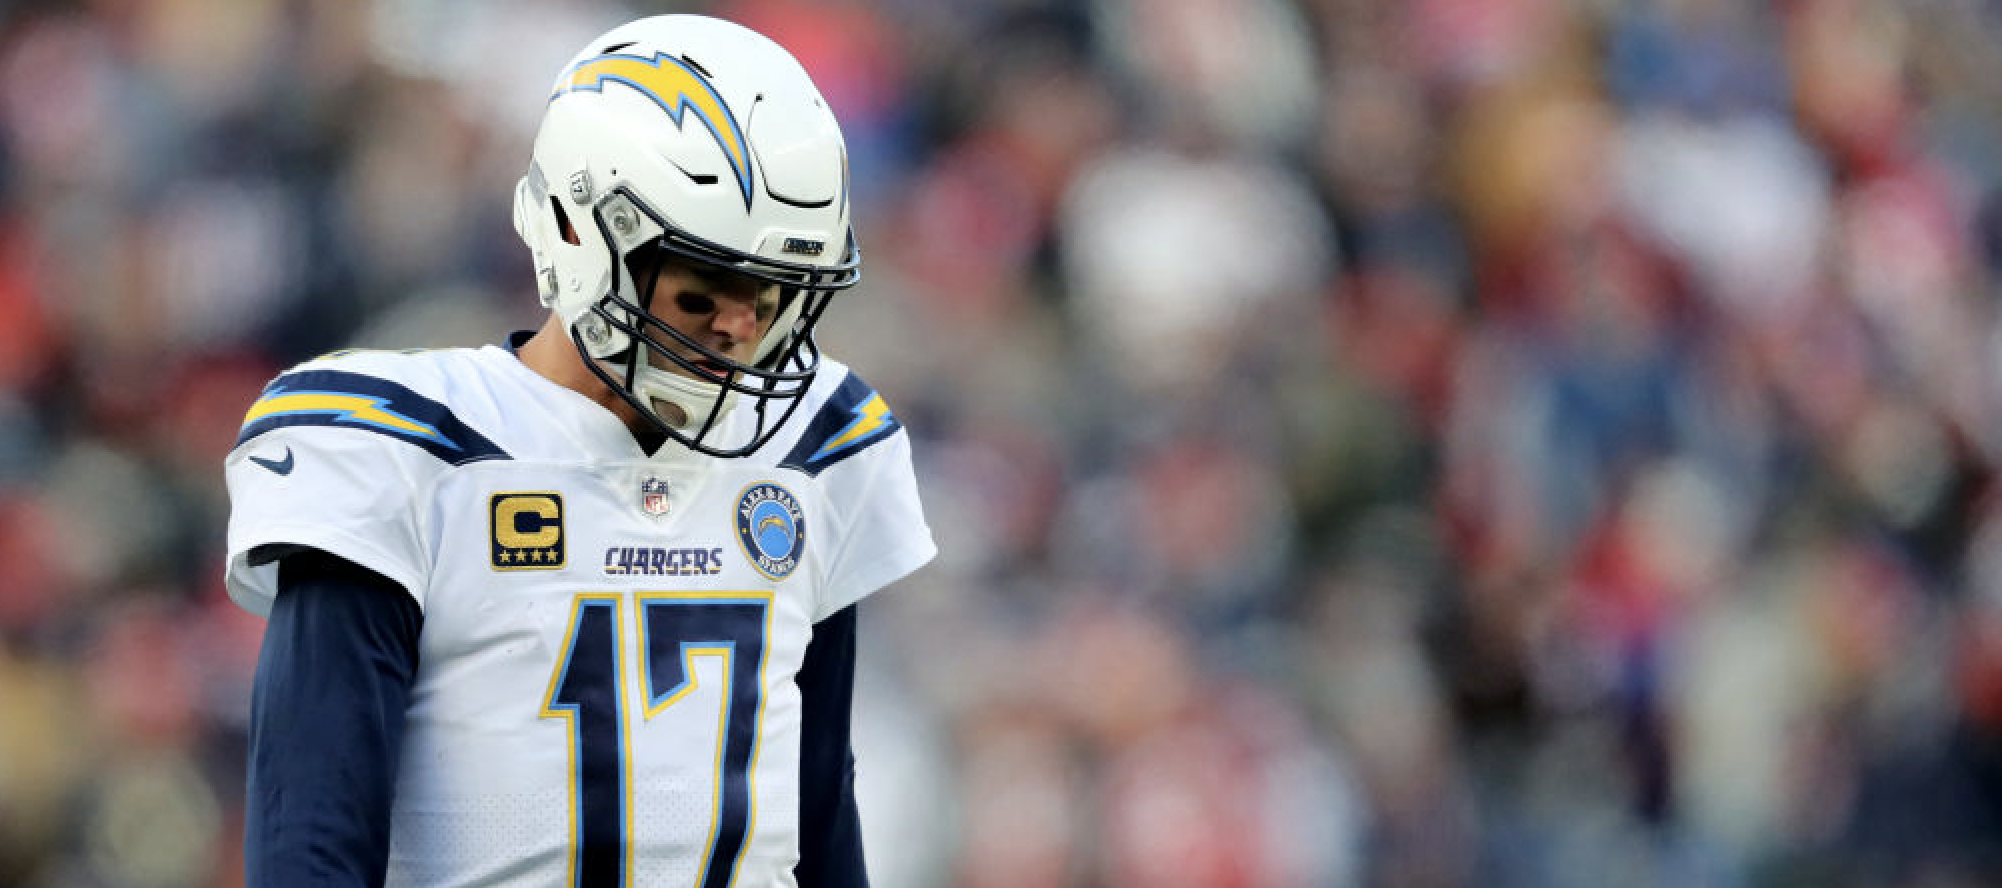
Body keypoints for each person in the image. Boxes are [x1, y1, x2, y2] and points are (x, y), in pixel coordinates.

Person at [222, 15, 934, 887]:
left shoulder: (812, 447)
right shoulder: (408, 450)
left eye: (775, 294)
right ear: (577, 234)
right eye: (702, 291)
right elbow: (312, 837)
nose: (742, 330)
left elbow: (820, 811)